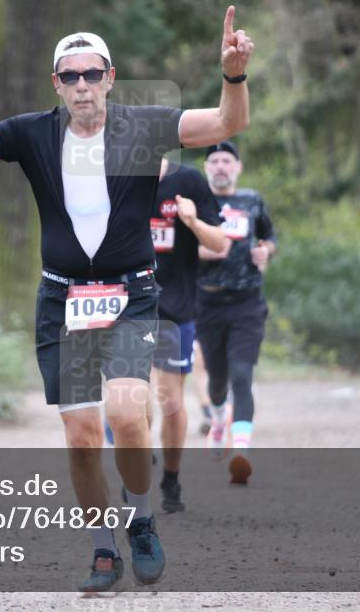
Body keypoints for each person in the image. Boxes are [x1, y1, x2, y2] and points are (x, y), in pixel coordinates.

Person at [0, 7, 253, 591]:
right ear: (56, 84)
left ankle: (141, 519)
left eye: (91, 74)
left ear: (110, 78)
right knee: (83, 438)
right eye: (70, 76)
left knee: (126, 415)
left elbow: (225, 122)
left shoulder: (144, 127)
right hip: (63, 300)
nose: (82, 85)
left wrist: (233, 74)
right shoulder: (33, 132)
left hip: (131, 294)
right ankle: (102, 549)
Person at [195, 140, 276, 486]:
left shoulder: (252, 200)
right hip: (207, 303)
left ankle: (241, 451)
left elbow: (269, 236)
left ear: (238, 167)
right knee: (216, 381)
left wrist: (266, 251)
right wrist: (203, 252)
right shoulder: (196, 203)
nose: (220, 166)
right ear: (206, 169)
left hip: (247, 303)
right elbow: (177, 249)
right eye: (214, 161)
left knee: (242, 374)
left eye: (227, 161)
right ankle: (218, 419)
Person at [150, 157, 226, 513]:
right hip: (125, 305)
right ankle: (135, 468)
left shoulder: (188, 180)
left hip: (173, 307)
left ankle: (171, 477)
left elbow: (219, 243)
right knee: (129, 399)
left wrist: (192, 221)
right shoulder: (111, 175)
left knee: (170, 402)